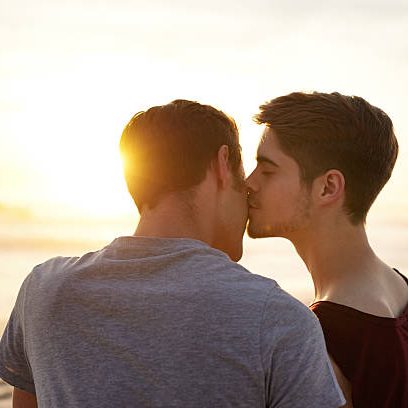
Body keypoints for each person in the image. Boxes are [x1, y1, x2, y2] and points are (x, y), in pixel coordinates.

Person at [0, 99, 344, 408]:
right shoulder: (278, 319)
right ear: (222, 164)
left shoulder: (43, 293)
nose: (249, 196)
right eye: (244, 177)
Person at [246, 91, 408, 408]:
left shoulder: (326, 335)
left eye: (267, 170)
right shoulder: (399, 289)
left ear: (328, 187)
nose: (249, 183)